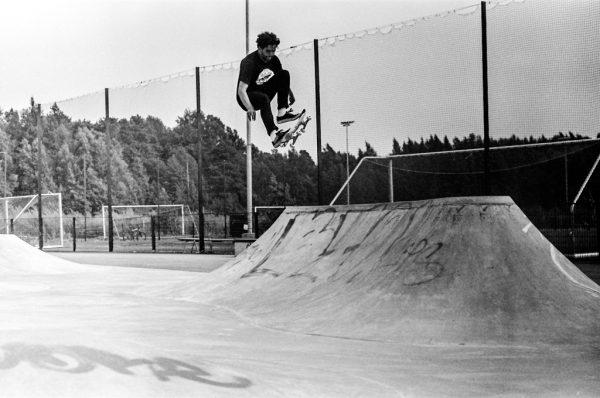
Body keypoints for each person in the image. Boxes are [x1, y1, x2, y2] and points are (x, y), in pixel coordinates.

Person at [237, 32, 301, 147]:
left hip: (262, 90)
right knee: (263, 98)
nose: (270, 55)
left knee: (284, 74)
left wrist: (288, 93)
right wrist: (250, 107)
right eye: (267, 51)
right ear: (259, 48)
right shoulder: (249, 62)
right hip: (246, 97)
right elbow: (241, 90)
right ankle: (274, 136)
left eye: (273, 51)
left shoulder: (274, 60)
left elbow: (281, 78)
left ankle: (282, 114)